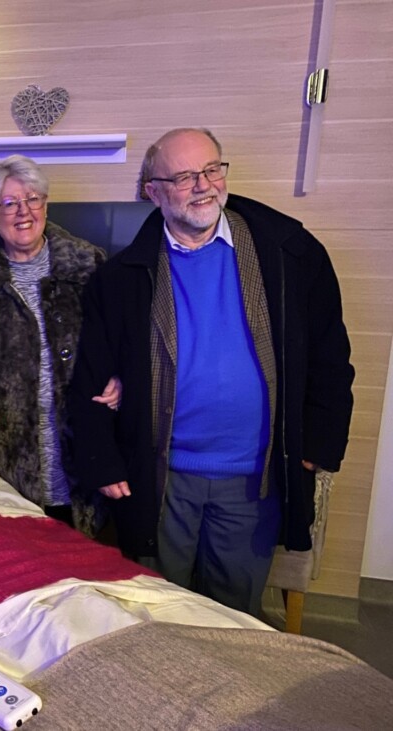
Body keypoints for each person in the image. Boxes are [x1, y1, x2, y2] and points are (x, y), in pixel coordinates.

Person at [67, 127, 354, 616]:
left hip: (254, 478)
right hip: (160, 477)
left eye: (210, 169)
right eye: (182, 176)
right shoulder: (119, 280)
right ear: (151, 191)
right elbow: (91, 378)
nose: (202, 185)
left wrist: (315, 447)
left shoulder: (290, 255)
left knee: (234, 615)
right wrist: (102, 460)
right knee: (157, 612)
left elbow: (329, 356)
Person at [0, 154, 117, 528]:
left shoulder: (89, 264)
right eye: (9, 203)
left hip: (87, 454)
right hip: (10, 463)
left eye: (32, 199)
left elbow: (122, 339)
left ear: (45, 204)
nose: (23, 212)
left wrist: (121, 377)